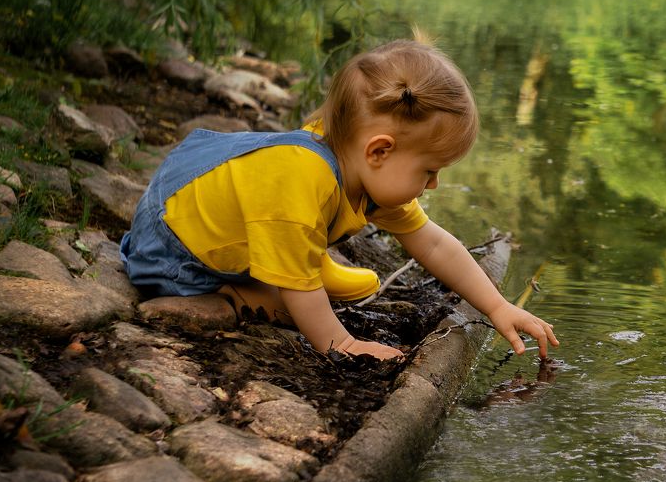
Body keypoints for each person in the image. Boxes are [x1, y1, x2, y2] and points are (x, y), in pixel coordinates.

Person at [120, 38, 559, 360]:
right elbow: (300, 287)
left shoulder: (361, 166)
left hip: (245, 218)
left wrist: (499, 306)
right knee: (296, 296)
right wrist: (343, 343)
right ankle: (241, 290)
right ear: (380, 150)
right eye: (429, 171)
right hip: (174, 252)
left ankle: (305, 260)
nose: (433, 186)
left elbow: (434, 243)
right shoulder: (301, 179)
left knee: (305, 264)